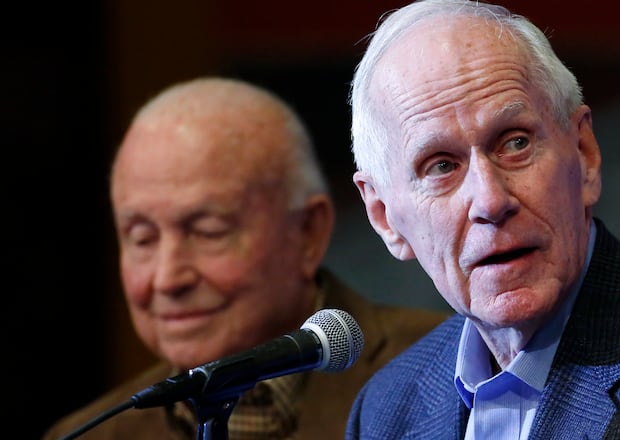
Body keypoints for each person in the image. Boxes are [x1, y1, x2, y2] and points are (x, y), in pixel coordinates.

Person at [345, 1, 620, 438]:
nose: (490, 200)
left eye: (515, 143)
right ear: (384, 217)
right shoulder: (387, 408)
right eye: (441, 166)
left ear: (585, 155)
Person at [42, 77, 448, 440]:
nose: (167, 278)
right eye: (141, 238)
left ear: (308, 232)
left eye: (207, 232)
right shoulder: (93, 432)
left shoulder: (454, 371)